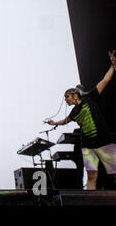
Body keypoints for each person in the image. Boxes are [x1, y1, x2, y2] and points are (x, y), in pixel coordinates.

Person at [46, 50, 116, 190]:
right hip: (88, 145)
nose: (65, 99)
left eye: (67, 96)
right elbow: (66, 120)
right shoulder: (74, 112)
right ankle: (90, 201)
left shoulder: (90, 97)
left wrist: (113, 65)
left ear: (74, 94)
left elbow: (105, 80)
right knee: (91, 176)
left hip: (104, 141)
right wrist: (55, 123)